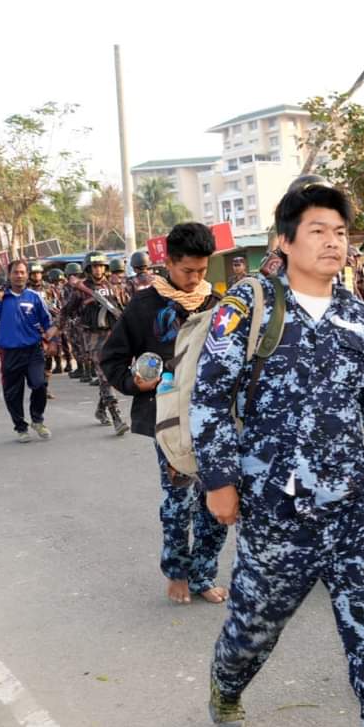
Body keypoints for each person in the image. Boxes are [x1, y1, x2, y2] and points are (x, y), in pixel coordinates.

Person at [190, 175, 364, 727]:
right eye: (317, 231)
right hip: (276, 515)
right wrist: (218, 479)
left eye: (340, 232)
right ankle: (227, 682)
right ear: (284, 241)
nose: (334, 241)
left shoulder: (358, 318)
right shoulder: (248, 306)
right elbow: (208, 397)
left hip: (354, 515)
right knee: (252, 632)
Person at [101, 223, 228, 605]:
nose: (195, 280)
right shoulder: (144, 306)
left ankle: (204, 573)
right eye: (188, 271)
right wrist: (134, 383)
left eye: (202, 271)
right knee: (179, 500)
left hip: (216, 420)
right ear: (168, 263)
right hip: (168, 421)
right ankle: (176, 573)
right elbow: (112, 358)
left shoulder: (218, 304)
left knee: (218, 497)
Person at [0, 260, 57, 442]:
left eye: (23, 272)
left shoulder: (34, 297)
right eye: (16, 272)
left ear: (27, 274)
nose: (20, 275)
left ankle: (37, 420)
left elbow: (47, 322)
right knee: (13, 393)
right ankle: (20, 427)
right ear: (9, 275)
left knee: (40, 384)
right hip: (10, 353)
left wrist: (53, 341)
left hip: (33, 350)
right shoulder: (1, 297)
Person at [63, 253, 129, 433]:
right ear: (88, 269)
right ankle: (116, 417)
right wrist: (59, 329)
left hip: (113, 335)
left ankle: (101, 410)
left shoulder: (114, 287)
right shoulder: (81, 289)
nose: (98, 269)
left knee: (113, 375)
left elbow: (125, 308)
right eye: (94, 267)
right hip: (93, 338)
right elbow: (66, 311)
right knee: (104, 376)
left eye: (101, 266)